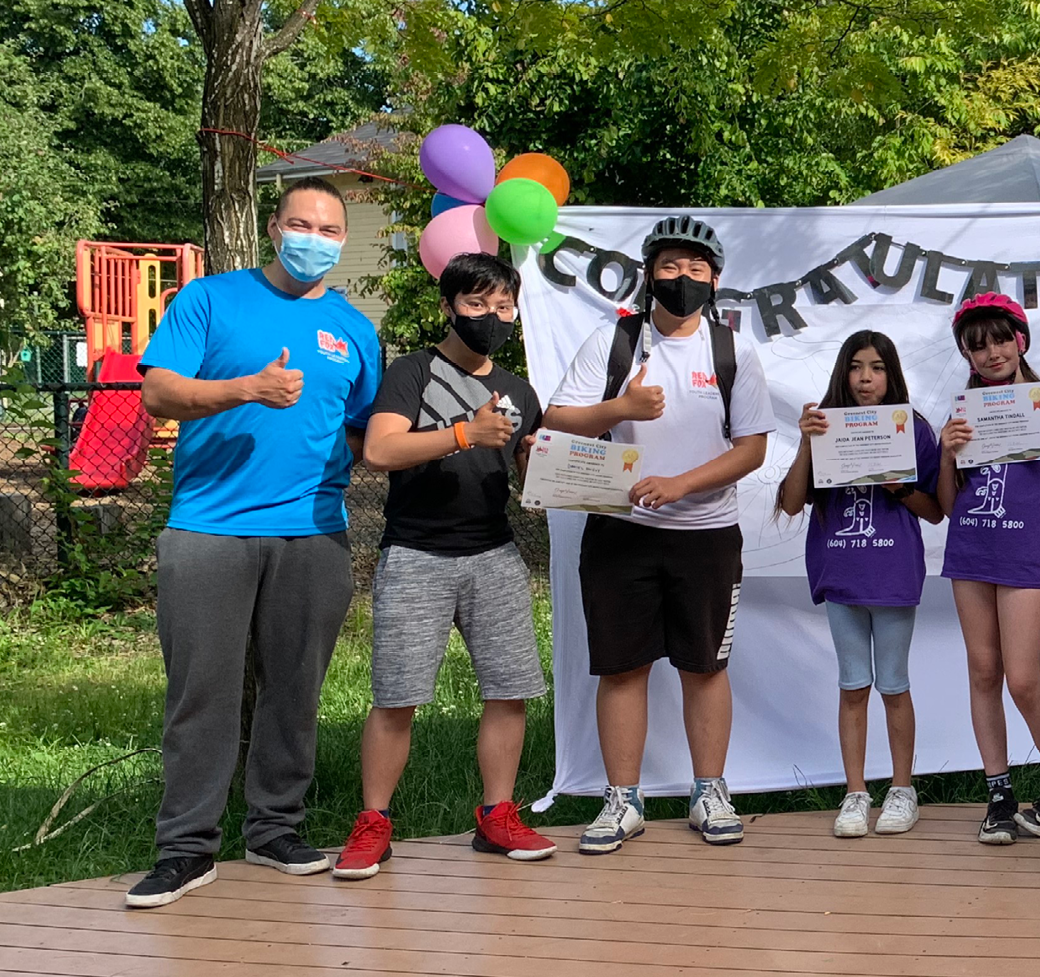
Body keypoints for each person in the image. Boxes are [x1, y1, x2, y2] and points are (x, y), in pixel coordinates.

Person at [126, 177, 383, 908]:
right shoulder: (210, 299)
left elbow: (368, 432)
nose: (314, 238)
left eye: (329, 228)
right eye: (300, 223)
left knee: (294, 690)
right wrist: (245, 389)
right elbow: (159, 392)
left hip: (315, 533)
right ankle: (185, 848)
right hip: (208, 527)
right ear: (274, 228)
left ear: (342, 240)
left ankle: (275, 829)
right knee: (201, 694)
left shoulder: (355, 328)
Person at [544, 216, 772, 854]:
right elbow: (558, 419)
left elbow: (752, 448)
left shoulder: (732, 351)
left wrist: (682, 484)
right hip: (619, 531)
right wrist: (620, 408)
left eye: (696, 269)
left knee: (706, 667)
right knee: (623, 668)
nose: (683, 279)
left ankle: (710, 790)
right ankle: (623, 800)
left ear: (715, 280)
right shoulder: (613, 341)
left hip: (707, 535)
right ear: (650, 274)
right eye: (670, 267)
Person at [333, 252, 551, 881]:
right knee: (396, 697)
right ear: (448, 307)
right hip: (414, 555)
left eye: (503, 306)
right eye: (477, 304)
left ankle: (498, 815)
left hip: (495, 554)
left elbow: (527, 486)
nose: (492, 317)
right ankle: (374, 823)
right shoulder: (410, 372)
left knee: (510, 692)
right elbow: (379, 449)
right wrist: (462, 432)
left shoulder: (520, 390)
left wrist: (536, 457)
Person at [937, 292, 1040, 845]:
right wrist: (944, 452)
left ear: (1021, 340)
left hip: (1028, 561)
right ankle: (999, 794)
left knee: (1024, 680)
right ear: (965, 352)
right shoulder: (962, 411)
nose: (991, 353)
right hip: (970, 554)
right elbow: (943, 504)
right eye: (977, 345)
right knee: (983, 673)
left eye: (1001, 339)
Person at [777, 330, 943, 838]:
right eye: (855, 367)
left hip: (892, 575)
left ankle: (901, 790)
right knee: (853, 685)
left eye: (876, 367)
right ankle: (855, 793)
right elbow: (788, 502)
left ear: (891, 374)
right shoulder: (822, 425)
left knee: (893, 684)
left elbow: (936, 511)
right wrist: (806, 440)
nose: (866, 377)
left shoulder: (912, 428)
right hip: (840, 575)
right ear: (842, 374)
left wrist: (900, 486)